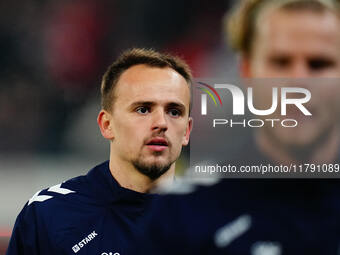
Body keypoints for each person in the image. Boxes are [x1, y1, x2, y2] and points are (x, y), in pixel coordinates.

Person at [132, 1, 340, 254]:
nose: (297, 84)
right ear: (247, 71)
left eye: (318, 64)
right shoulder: (180, 214)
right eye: (280, 62)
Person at [6, 48, 193, 255]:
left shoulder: (218, 220)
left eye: (174, 112)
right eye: (143, 109)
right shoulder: (49, 215)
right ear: (106, 124)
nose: (161, 123)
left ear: (187, 131)